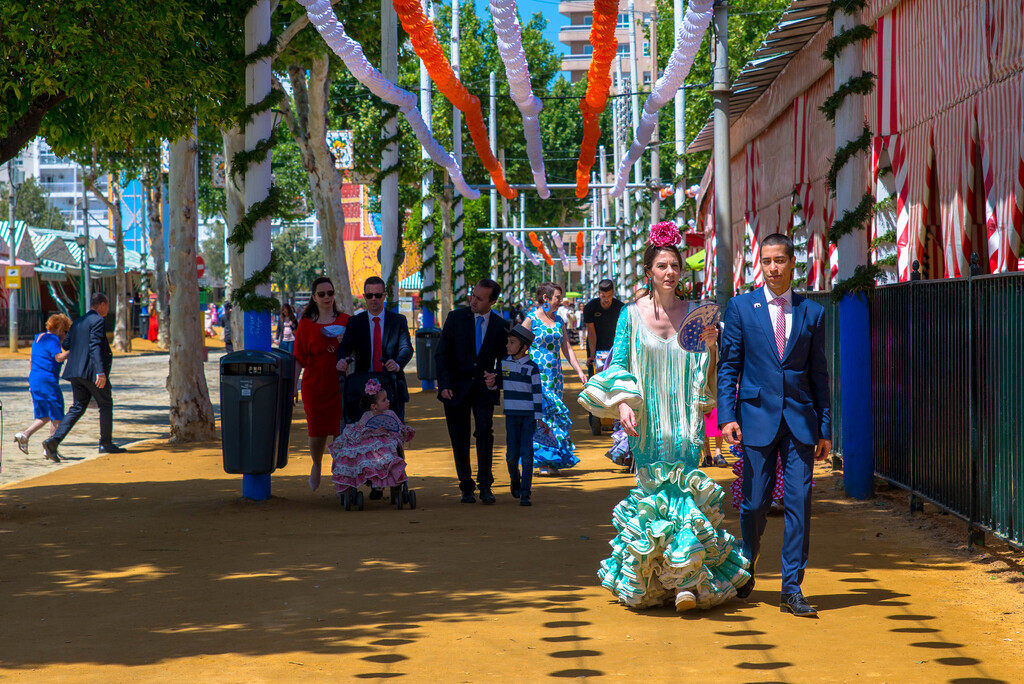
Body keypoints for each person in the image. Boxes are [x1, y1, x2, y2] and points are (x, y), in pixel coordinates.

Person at [579, 221, 750, 612]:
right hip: (648, 423)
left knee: (684, 498)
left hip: (686, 422)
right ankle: (659, 582)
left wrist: (710, 347)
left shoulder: (696, 314)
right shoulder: (630, 315)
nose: (670, 272)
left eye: (674, 265)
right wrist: (623, 403)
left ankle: (686, 584)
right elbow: (618, 362)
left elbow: (708, 372)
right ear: (648, 272)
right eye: (662, 266)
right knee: (654, 501)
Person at [718, 232, 832, 618]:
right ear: (759, 265)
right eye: (766, 262)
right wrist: (727, 416)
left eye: (779, 260)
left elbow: (820, 374)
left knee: (800, 503)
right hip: (755, 418)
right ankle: (747, 562)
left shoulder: (811, 312)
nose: (773, 268)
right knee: (754, 504)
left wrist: (826, 429)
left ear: (791, 263)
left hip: (801, 421)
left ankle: (791, 589)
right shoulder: (740, 308)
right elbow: (729, 366)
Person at [435, 278, 510, 504]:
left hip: (483, 389)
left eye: (479, 298)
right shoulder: (455, 318)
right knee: (459, 437)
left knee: (485, 433)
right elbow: (442, 354)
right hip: (455, 389)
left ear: (492, 301)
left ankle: (485, 485)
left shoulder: (500, 325)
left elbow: (506, 360)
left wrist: (497, 377)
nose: (473, 300)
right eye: (473, 295)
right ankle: (466, 486)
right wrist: (445, 384)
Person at [42, 293, 127, 459]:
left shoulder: (79, 321)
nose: (108, 309)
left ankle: (54, 440)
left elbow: (66, 344)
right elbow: (95, 345)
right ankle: (105, 443)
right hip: (90, 372)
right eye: (107, 305)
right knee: (105, 403)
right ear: (101, 305)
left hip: (75, 372)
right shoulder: (98, 321)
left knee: (78, 406)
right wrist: (100, 371)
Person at [522, 282, 587, 475]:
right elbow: (519, 347)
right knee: (542, 416)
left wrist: (579, 371)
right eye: (558, 297)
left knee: (554, 415)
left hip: (556, 377)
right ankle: (543, 460)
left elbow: (566, 347)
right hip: (537, 377)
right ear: (546, 298)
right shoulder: (531, 319)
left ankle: (553, 460)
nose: (560, 301)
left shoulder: (559, 320)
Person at [294, 277, 350, 491]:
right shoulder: (306, 324)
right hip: (314, 385)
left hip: (341, 384)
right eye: (322, 294)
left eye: (330, 293)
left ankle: (339, 473)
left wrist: (343, 344)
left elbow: (355, 352)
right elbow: (298, 357)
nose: (327, 297)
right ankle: (316, 464)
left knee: (341, 430)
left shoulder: (345, 320)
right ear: (314, 297)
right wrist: (293, 387)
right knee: (316, 431)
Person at [337, 276, 414, 422]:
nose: (373, 299)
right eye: (369, 295)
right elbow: (345, 346)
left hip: (391, 386)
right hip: (362, 388)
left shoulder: (398, 321)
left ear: (384, 296)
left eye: (378, 295)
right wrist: (341, 360)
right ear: (364, 297)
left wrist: (397, 364)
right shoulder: (355, 322)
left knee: (393, 432)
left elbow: (406, 348)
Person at [328, 378, 414, 502]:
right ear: (374, 406)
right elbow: (359, 431)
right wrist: (372, 432)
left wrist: (400, 431)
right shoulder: (367, 416)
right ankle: (364, 477)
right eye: (384, 400)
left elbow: (398, 427)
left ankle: (383, 480)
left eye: (387, 398)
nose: (388, 401)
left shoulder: (390, 414)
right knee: (360, 453)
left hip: (386, 441)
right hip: (369, 442)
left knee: (387, 454)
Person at [495, 324, 547, 507]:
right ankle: (515, 480)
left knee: (526, 454)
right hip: (511, 416)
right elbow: (497, 384)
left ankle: (525, 492)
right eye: (508, 342)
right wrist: (491, 382)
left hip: (529, 418)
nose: (507, 346)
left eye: (512, 342)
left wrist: (539, 418)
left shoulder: (532, 368)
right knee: (511, 456)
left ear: (524, 347)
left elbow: (537, 393)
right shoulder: (503, 363)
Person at [15, 314, 72, 461]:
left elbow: (31, 359)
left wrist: (32, 382)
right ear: (59, 328)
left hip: (35, 378)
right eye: (65, 331)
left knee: (45, 415)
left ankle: (25, 435)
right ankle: (50, 449)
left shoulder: (39, 338)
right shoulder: (52, 339)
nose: (65, 335)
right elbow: (58, 357)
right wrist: (74, 351)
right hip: (47, 380)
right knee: (57, 415)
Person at [583, 279, 625, 376]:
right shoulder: (590, 308)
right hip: (596, 347)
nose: (606, 299)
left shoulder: (621, 308)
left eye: (609, 296)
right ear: (599, 294)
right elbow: (591, 333)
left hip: (615, 347)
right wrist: (592, 355)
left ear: (613, 293)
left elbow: (623, 332)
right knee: (596, 378)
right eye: (603, 296)